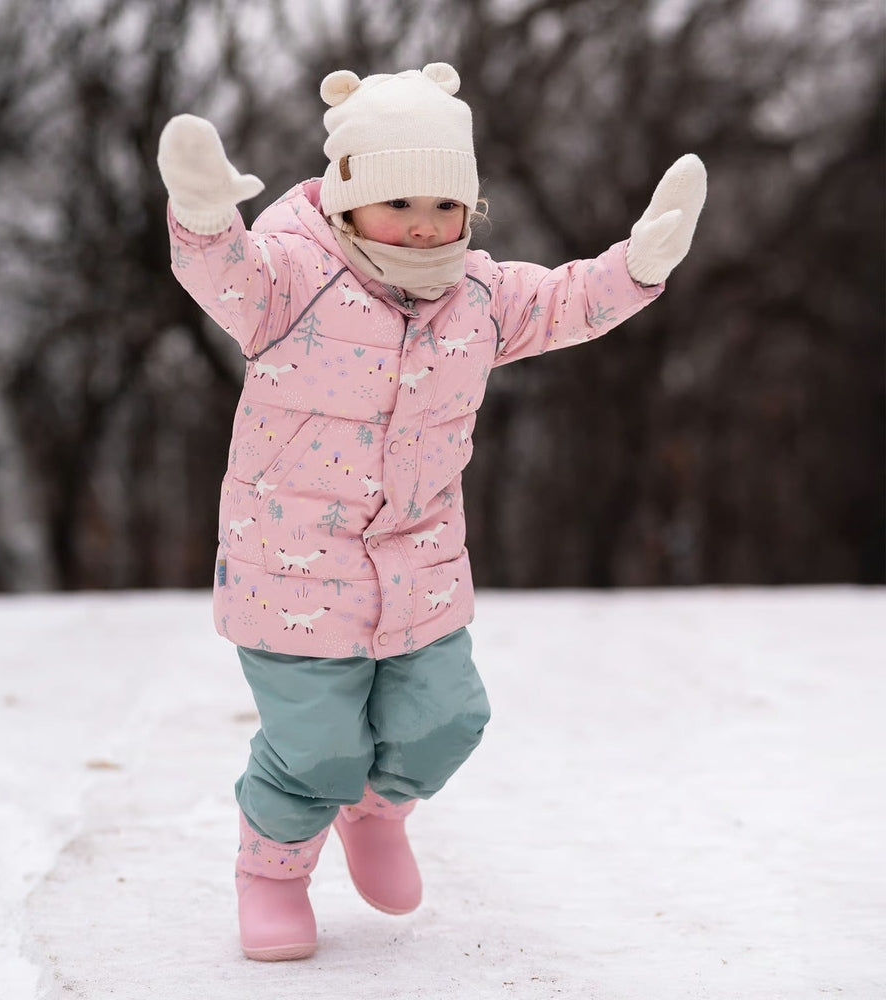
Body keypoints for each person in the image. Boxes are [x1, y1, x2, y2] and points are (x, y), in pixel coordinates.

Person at [157, 62, 707, 962]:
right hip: (291, 569)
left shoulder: (478, 298)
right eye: (399, 200)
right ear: (345, 197)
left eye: (446, 205)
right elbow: (224, 273)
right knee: (317, 747)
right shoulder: (291, 281)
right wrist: (206, 215)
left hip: (420, 571)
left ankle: (376, 814)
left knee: (448, 719)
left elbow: (568, 299)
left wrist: (641, 263)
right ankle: (273, 876)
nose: (424, 223)